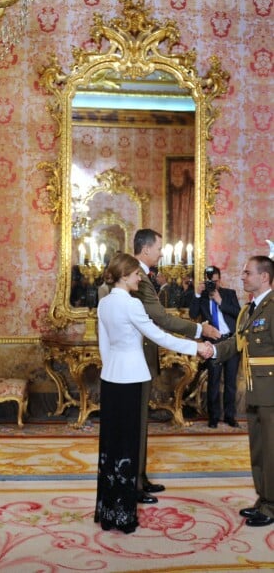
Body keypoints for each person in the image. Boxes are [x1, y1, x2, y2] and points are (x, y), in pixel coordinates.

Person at [95, 253, 211, 533]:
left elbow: (104, 345)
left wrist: (110, 368)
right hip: (132, 378)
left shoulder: (104, 303)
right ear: (124, 275)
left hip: (110, 378)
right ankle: (123, 515)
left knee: (111, 446)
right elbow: (159, 336)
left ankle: (107, 510)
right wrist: (196, 347)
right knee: (128, 444)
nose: (140, 278)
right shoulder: (131, 305)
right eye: (136, 274)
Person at [132, 228, 220, 503]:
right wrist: (199, 329)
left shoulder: (145, 276)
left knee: (141, 423)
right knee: (136, 424)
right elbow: (159, 318)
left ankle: (140, 477)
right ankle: (133, 482)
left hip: (142, 356)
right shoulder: (137, 277)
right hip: (135, 359)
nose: (161, 253)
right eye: (159, 248)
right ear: (145, 249)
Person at [215, 256, 274, 528]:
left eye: (248, 272)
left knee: (272, 450)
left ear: (264, 277)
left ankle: (272, 506)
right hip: (254, 390)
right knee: (259, 449)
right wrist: (211, 351)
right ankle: (263, 499)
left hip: (271, 392)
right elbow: (237, 343)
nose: (242, 276)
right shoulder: (249, 310)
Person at [189, 265, 241, 428]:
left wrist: (220, 301)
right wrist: (197, 293)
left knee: (231, 382)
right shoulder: (202, 297)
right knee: (214, 381)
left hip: (231, 341)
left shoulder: (229, 294)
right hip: (213, 343)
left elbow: (239, 314)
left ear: (220, 279)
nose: (213, 285)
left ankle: (230, 416)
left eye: (216, 282)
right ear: (206, 280)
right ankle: (214, 417)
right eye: (210, 282)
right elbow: (192, 314)